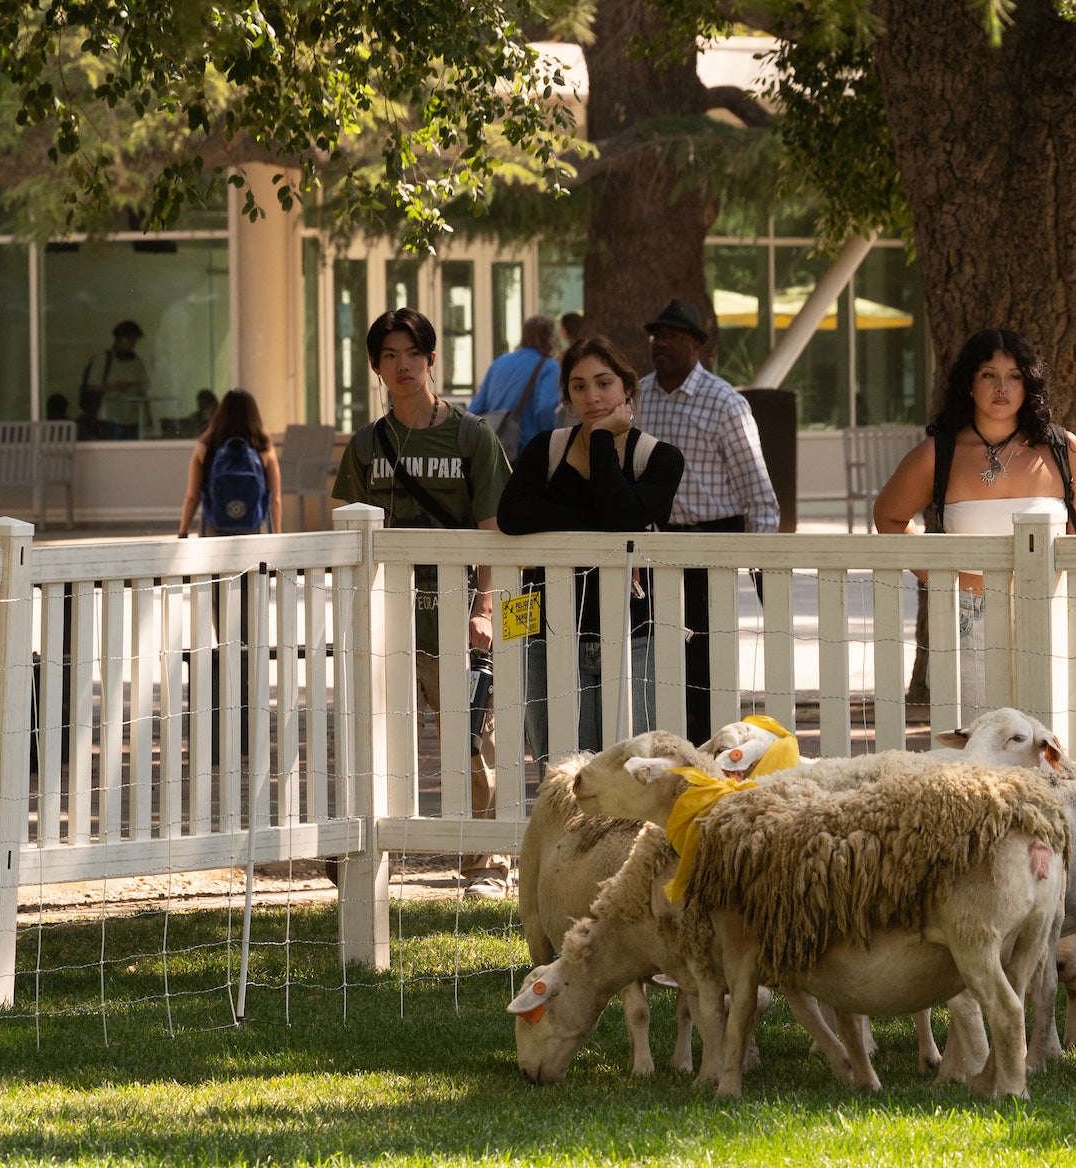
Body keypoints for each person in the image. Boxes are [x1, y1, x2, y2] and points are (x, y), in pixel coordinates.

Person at [330, 307, 513, 896]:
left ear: (432, 359)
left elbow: (494, 533)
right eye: (389, 355)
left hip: (454, 625)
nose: (402, 365)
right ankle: (360, 859)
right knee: (369, 740)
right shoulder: (363, 447)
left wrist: (485, 608)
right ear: (376, 367)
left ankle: (486, 867)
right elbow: (344, 540)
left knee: (470, 743)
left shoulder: (469, 437)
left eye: (412, 353)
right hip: (385, 627)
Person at [873, 329, 1076, 745]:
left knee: (1057, 746)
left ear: (1028, 383)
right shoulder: (939, 453)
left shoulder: (1062, 449)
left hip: (1056, 618)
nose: (1002, 387)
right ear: (969, 383)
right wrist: (950, 578)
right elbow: (889, 517)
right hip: (970, 621)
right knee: (980, 747)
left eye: (1014, 376)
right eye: (988, 375)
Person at [499, 335, 685, 757]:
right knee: (561, 773)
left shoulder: (660, 458)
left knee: (630, 775)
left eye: (604, 383)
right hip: (547, 634)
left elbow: (622, 520)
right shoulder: (544, 449)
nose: (592, 396)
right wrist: (595, 508)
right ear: (567, 394)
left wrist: (600, 443)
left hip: (633, 636)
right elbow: (512, 517)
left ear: (627, 390)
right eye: (579, 386)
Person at [633, 297, 780, 744]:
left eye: (674, 335)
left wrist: (762, 570)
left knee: (706, 661)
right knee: (654, 655)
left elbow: (759, 495)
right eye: (658, 335)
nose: (662, 343)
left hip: (712, 541)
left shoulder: (724, 404)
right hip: (655, 543)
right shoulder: (638, 395)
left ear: (697, 345)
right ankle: (664, 751)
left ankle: (710, 755)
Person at [177, 390, 281, 536]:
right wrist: (277, 533)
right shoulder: (263, 447)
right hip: (253, 527)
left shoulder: (206, 447)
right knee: (254, 559)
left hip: (214, 527)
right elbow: (275, 498)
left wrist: (183, 532)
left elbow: (193, 496)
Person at [472, 314, 562, 452]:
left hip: (493, 447)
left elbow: (476, 408)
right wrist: (550, 443)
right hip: (528, 449)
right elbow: (546, 407)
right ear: (550, 337)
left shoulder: (499, 362)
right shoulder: (549, 367)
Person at [80, 321, 150, 439]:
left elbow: (143, 391)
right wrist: (113, 387)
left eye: (134, 340)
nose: (132, 344)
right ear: (119, 339)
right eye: (129, 340)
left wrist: (148, 416)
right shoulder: (103, 359)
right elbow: (91, 386)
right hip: (109, 419)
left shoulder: (137, 362)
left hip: (133, 420)